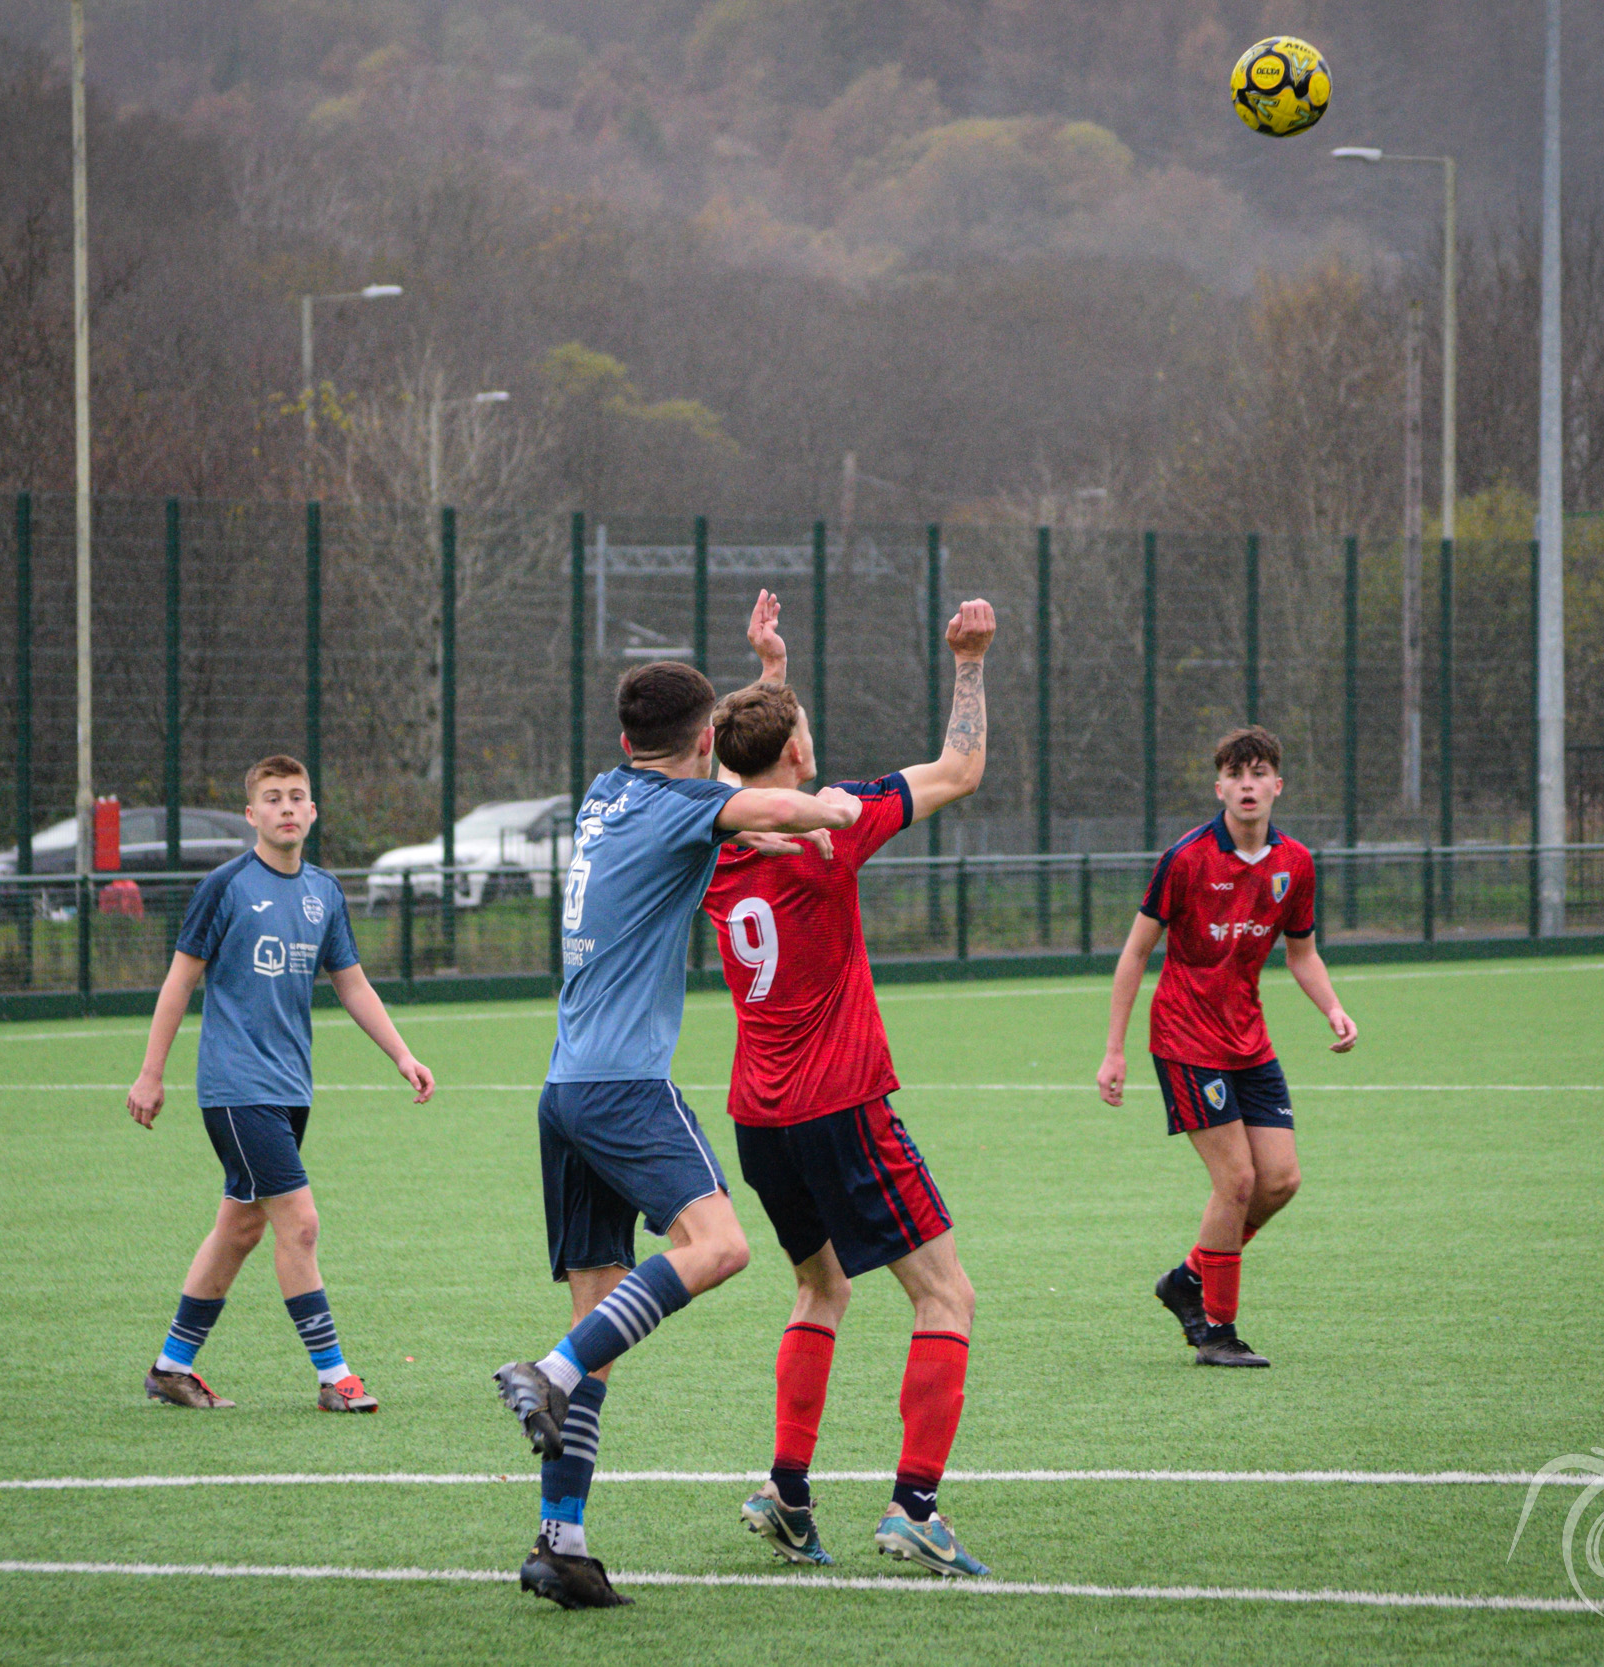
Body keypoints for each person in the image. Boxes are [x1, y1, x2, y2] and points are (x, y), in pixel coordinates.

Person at [490, 659, 863, 1610]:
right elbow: (787, 812)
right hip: (623, 1088)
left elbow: (715, 811)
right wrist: (839, 810)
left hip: (565, 1090)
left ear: (627, 741)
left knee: (600, 1326)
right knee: (722, 1245)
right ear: (705, 745)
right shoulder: (679, 805)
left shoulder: (607, 795)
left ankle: (560, 1543)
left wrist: (769, 677)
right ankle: (552, 1371)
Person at [704, 589, 997, 1577]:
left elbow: (727, 769)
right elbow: (961, 766)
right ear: (795, 756)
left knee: (819, 1284)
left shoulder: (705, 838)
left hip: (760, 1116)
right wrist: (970, 658)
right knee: (945, 1295)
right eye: (803, 730)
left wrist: (768, 675)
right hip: (840, 1103)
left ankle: (786, 1493)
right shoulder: (835, 828)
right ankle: (914, 1504)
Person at [126, 754, 435, 1413]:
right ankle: (335, 1377)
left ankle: (171, 1366)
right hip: (237, 1090)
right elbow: (181, 980)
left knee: (240, 1229)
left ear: (314, 811)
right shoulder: (227, 886)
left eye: (298, 796)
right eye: (273, 798)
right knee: (300, 1222)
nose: (287, 807)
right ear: (251, 815)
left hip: (291, 1088)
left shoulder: (324, 891)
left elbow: (349, 981)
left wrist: (401, 1054)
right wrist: (152, 1074)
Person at [1095, 725, 1356, 1368]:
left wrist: (1333, 1008)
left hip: (1250, 1039)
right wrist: (1115, 1050)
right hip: (1185, 1039)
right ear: (1220, 788)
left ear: (1277, 785)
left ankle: (1187, 1278)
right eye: (1236, 774)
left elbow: (1303, 953)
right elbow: (1135, 953)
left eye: (1259, 772)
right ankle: (1215, 1328)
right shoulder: (1186, 859)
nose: (1248, 784)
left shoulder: (1294, 863)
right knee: (1237, 1180)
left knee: (1282, 1180)